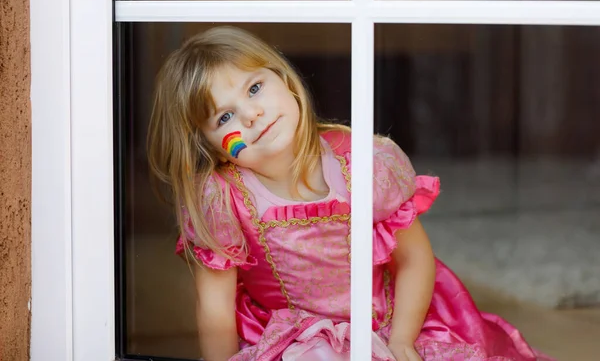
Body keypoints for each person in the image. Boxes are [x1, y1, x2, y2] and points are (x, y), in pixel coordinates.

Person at [147, 26, 554, 361]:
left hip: (394, 319)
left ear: (285, 81)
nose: (251, 115)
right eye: (224, 116)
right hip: (297, 341)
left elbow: (414, 259)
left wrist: (401, 340)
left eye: (254, 89)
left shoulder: (363, 164)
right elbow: (215, 311)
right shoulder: (222, 199)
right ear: (210, 145)